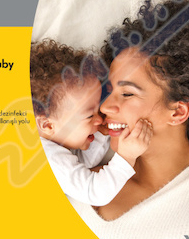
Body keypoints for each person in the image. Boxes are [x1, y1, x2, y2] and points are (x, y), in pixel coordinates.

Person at [68, 0, 189, 239]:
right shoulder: (77, 180)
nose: (105, 107)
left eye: (127, 94)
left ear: (178, 111)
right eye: (109, 91)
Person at [30, 39, 152, 206]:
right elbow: (93, 192)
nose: (100, 119)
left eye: (97, 109)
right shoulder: (49, 158)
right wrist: (126, 157)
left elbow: (81, 165)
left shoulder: (54, 149)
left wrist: (100, 135)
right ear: (48, 125)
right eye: (89, 115)